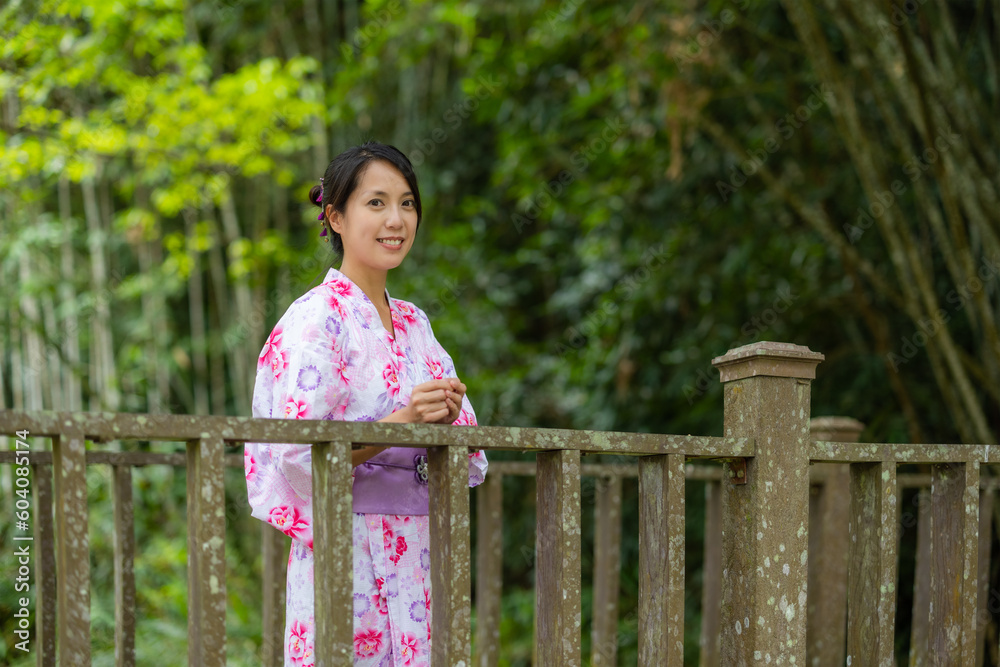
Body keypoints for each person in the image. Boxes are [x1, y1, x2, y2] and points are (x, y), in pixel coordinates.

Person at [244, 140, 488, 667]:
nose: (395, 219)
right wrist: (401, 422)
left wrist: (446, 409)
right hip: (345, 543)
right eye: (375, 203)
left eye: (406, 203)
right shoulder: (315, 320)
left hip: (419, 548)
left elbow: (465, 440)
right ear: (334, 216)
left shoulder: (415, 322)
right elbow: (297, 449)